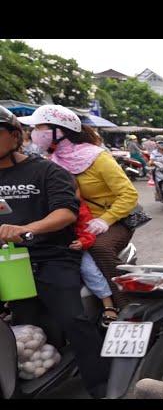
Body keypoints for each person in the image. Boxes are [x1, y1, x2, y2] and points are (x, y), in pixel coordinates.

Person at [0, 106, 109, 398]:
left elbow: (66, 212)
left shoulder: (46, 170)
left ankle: (101, 385)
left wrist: (26, 228)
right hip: (8, 262)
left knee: (74, 319)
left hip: (50, 257)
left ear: (14, 137)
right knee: (20, 329)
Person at [19, 106, 139, 311]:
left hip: (113, 221)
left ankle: (128, 307)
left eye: (40, 127)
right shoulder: (52, 162)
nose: (34, 133)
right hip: (73, 222)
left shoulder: (97, 157)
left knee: (99, 248)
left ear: (59, 131)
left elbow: (129, 195)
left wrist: (104, 220)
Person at [70, 189, 119, 327]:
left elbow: (88, 231)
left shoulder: (79, 208)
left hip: (76, 247)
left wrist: (81, 242)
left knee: (89, 270)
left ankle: (108, 304)